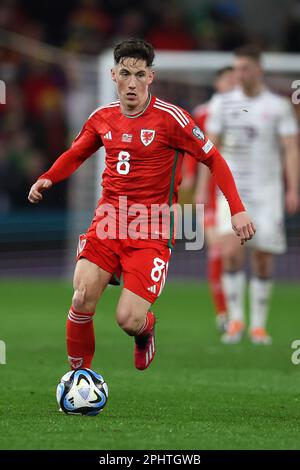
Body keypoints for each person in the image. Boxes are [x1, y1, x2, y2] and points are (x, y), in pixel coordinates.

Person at [28, 38, 255, 376]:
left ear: (151, 76)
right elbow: (76, 154)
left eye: (139, 74)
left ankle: (145, 329)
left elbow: (214, 158)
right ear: (113, 75)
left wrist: (236, 208)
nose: (131, 83)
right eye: (124, 74)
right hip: (108, 222)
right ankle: (79, 377)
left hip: (152, 229)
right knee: (81, 297)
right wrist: (48, 177)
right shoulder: (101, 118)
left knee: (128, 319)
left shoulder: (172, 119)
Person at [204, 45, 299, 344]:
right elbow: (210, 146)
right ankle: (236, 321)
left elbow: (290, 148)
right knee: (230, 252)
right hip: (233, 192)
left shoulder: (278, 106)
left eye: (245, 68)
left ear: (258, 69)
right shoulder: (221, 102)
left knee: (263, 258)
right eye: (236, 68)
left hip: (268, 192)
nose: (239, 74)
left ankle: (259, 325)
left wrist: (293, 188)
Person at [193, 66, 237, 333]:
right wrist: (195, 185)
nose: (233, 83)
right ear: (217, 83)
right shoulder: (202, 113)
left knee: (241, 253)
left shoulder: (247, 111)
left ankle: (241, 315)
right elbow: (195, 152)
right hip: (211, 191)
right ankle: (223, 313)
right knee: (218, 251)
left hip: (241, 191)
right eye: (228, 79)